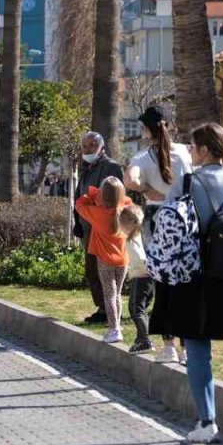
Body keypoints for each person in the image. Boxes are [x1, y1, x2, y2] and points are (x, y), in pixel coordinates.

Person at [152, 123, 223, 443]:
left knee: (198, 345)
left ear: (204, 150)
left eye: (192, 147)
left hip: (194, 277)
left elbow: (168, 224)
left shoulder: (187, 183)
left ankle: (206, 422)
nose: (190, 151)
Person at [125, 106, 191, 363]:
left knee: (163, 283)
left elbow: (129, 180)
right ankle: (187, 348)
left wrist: (148, 190)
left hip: (157, 219)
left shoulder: (142, 157)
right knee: (184, 283)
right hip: (184, 217)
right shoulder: (185, 151)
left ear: (147, 130)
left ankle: (168, 346)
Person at [74, 131, 125, 323]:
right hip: (88, 226)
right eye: (85, 146)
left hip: (103, 228)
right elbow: (80, 194)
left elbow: (116, 198)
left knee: (103, 271)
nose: (87, 150)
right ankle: (102, 308)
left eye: (92, 146)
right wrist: (77, 221)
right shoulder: (86, 167)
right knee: (91, 270)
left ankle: (108, 311)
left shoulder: (110, 167)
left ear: (101, 147)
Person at [76, 177, 133, 344]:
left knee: (109, 294)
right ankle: (118, 326)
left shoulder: (97, 213)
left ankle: (114, 329)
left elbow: (80, 204)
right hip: (123, 259)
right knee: (118, 294)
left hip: (105, 260)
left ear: (103, 195)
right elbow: (127, 200)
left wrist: (93, 194)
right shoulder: (126, 210)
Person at [119, 205, 154, 354]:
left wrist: (144, 268)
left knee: (135, 309)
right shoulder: (142, 236)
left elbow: (140, 258)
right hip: (150, 280)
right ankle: (141, 337)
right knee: (142, 309)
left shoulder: (131, 241)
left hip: (141, 279)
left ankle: (145, 340)